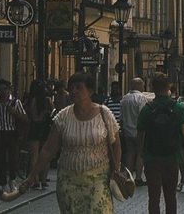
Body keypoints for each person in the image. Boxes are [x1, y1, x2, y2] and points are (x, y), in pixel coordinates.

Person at [21, 72, 122, 214]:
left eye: (79, 87)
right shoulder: (63, 117)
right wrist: (33, 175)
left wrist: (115, 170)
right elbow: (48, 150)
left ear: (90, 91)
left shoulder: (104, 113)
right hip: (69, 182)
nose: (73, 91)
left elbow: (116, 145)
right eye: (71, 87)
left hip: (98, 180)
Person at [138, 74, 184, 214]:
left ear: (152, 88)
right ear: (169, 87)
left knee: (153, 197)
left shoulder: (147, 109)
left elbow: (141, 133)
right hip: (172, 157)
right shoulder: (178, 107)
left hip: (152, 157)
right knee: (170, 196)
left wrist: (141, 153)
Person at [0, 82, 26, 193]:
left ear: (9, 90)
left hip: (12, 133)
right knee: (1, 159)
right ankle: (3, 183)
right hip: (0, 133)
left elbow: (24, 118)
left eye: (5, 89)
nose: (3, 92)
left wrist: (14, 113)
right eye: (0, 90)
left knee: (13, 158)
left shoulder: (15, 102)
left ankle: (12, 180)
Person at [119, 77, 149, 185]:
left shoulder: (124, 98)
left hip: (127, 131)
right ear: (138, 85)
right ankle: (138, 178)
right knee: (140, 154)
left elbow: (121, 117)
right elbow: (143, 116)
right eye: (142, 85)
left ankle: (128, 176)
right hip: (138, 131)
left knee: (130, 154)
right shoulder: (141, 98)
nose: (143, 87)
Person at [23, 81, 52, 190]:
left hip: (34, 128)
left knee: (34, 156)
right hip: (45, 128)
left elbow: (31, 116)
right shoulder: (47, 100)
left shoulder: (32, 100)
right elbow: (54, 113)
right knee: (45, 154)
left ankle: (34, 180)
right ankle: (43, 180)